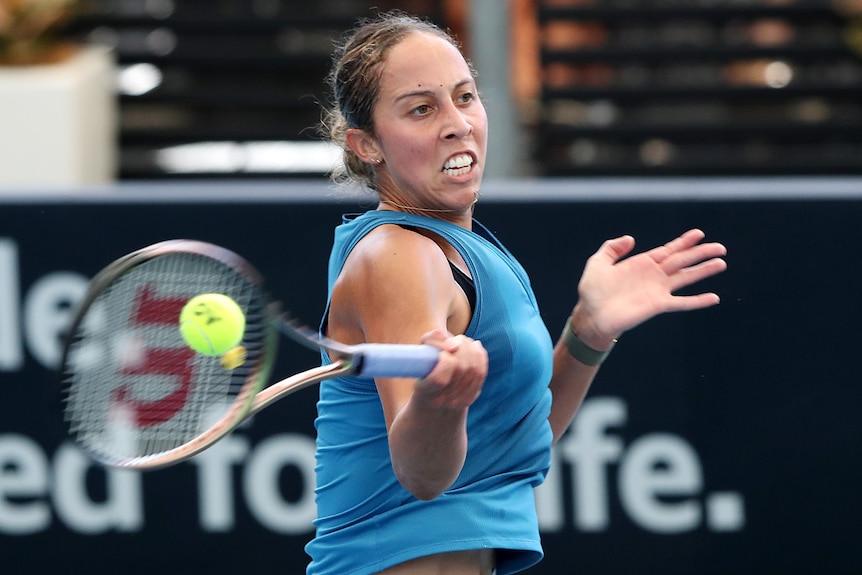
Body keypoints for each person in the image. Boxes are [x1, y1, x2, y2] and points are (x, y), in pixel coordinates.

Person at [306, 11, 727, 575]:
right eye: (421, 108)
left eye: (465, 96)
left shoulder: (469, 248)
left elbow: (509, 445)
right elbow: (423, 475)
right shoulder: (396, 255)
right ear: (366, 145)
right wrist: (439, 400)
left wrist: (588, 332)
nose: (457, 123)